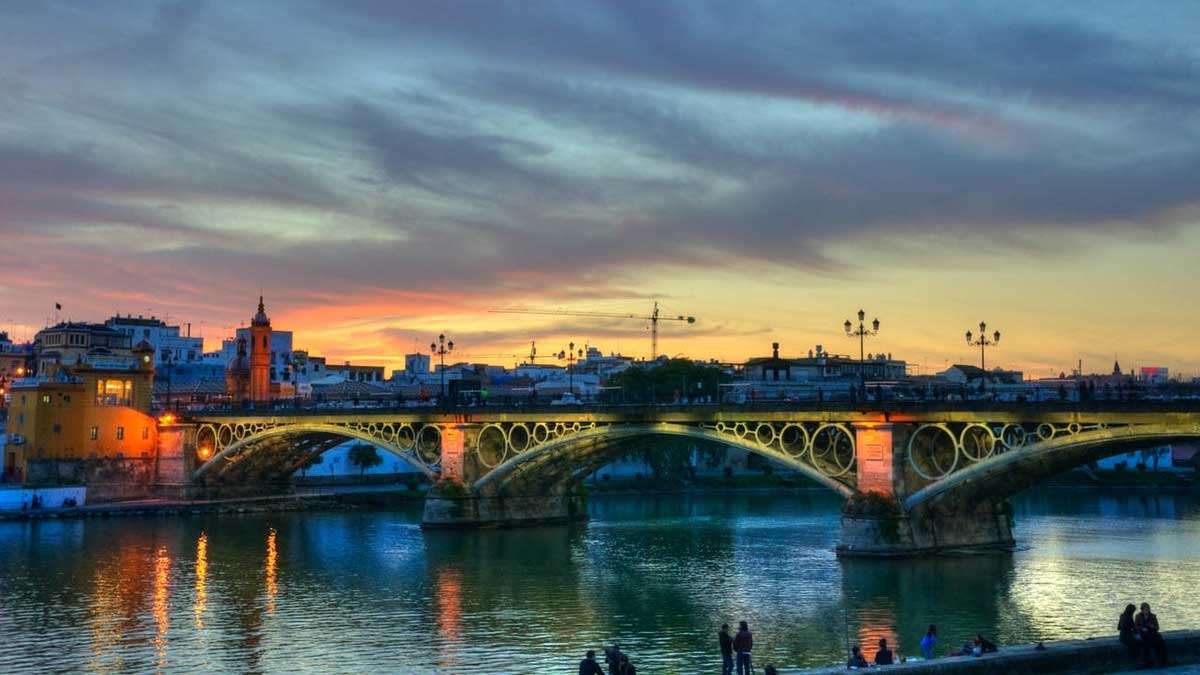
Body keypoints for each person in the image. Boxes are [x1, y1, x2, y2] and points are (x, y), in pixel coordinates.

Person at [1136, 602, 1168, 667]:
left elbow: (1157, 627)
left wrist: (1152, 626)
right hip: (1143, 633)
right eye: (1145, 609)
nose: (1147, 611)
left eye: (1148, 609)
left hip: (1152, 633)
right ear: (1142, 610)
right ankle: (1151, 661)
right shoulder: (1138, 616)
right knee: (1148, 642)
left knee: (1160, 641)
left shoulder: (1153, 616)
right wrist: (1142, 628)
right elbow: (1136, 626)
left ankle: (1163, 660)